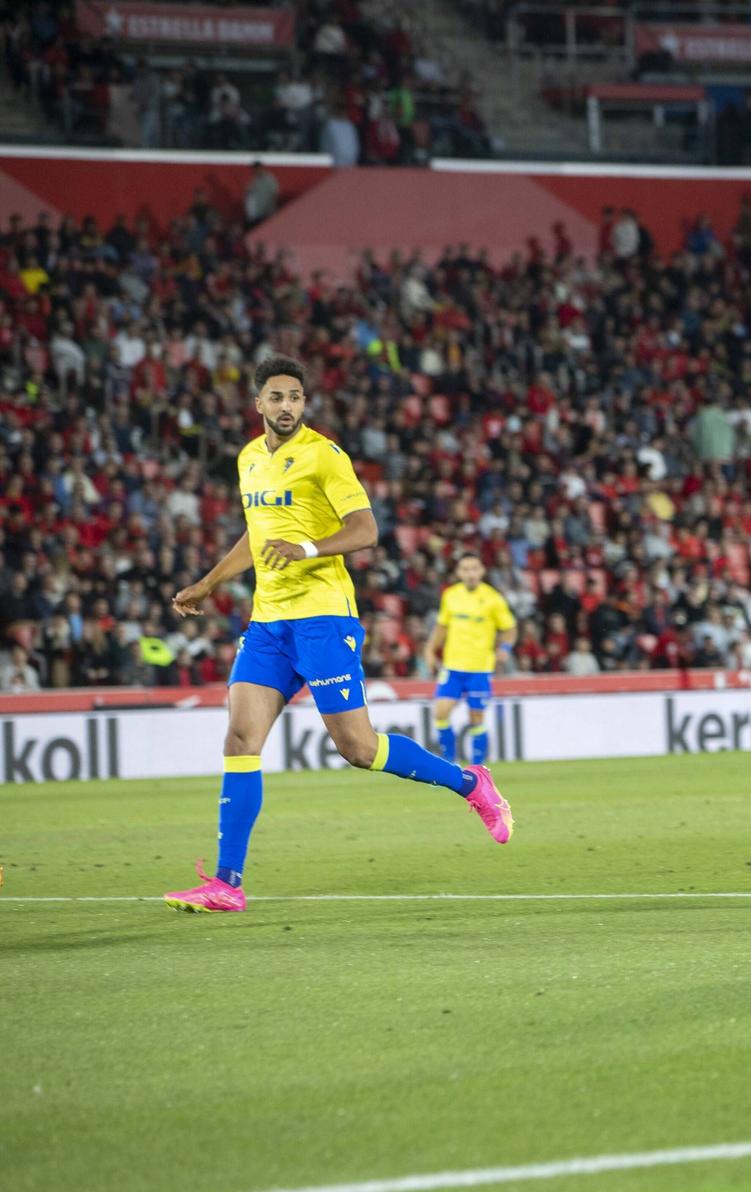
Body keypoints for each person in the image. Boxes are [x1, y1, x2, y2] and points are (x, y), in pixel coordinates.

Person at [165, 357, 514, 913]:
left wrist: (305, 549)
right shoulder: (248, 459)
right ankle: (227, 883)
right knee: (239, 740)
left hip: (324, 617)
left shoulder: (326, 456)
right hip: (268, 623)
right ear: (258, 403)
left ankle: (471, 784)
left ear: (304, 404)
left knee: (359, 748)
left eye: (296, 397)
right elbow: (257, 537)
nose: (286, 407)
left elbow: (366, 530)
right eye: (276, 397)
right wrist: (209, 583)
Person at [423, 552, 517, 765]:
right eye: (465, 569)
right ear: (458, 572)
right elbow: (441, 627)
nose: (471, 573)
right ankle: (449, 764)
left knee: (476, 718)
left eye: (474, 568)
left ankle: (477, 769)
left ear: (482, 571)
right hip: (453, 666)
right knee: (440, 712)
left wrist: (505, 647)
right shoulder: (451, 595)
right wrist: (430, 650)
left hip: (479, 668)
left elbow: (510, 629)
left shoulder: (493, 598)